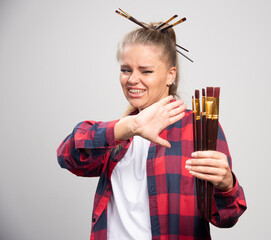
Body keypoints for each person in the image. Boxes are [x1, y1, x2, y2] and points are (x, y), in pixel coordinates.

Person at [57, 21, 246, 240]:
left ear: (170, 75)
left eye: (145, 71)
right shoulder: (119, 133)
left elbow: (227, 217)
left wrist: (226, 185)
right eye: (125, 70)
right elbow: (67, 156)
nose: (132, 79)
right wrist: (131, 126)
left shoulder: (198, 130)